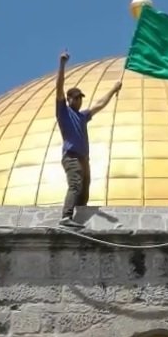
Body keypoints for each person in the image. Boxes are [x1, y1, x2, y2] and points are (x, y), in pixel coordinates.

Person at [55, 50, 122, 228]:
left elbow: (99, 104)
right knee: (75, 185)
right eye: (76, 98)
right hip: (72, 157)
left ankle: (78, 219)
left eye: (80, 98)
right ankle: (66, 217)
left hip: (84, 159)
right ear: (69, 99)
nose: (79, 101)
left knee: (84, 191)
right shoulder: (63, 112)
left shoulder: (82, 116)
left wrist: (113, 89)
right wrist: (62, 65)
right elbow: (59, 87)